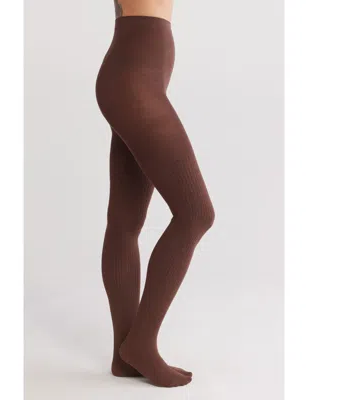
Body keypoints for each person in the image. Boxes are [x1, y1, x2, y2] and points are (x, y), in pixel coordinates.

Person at [95, 0, 215, 388]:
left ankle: (124, 355)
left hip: (134, 76)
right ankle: (142, 343)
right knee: (196, 214)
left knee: (125, 222)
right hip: (135, 81)